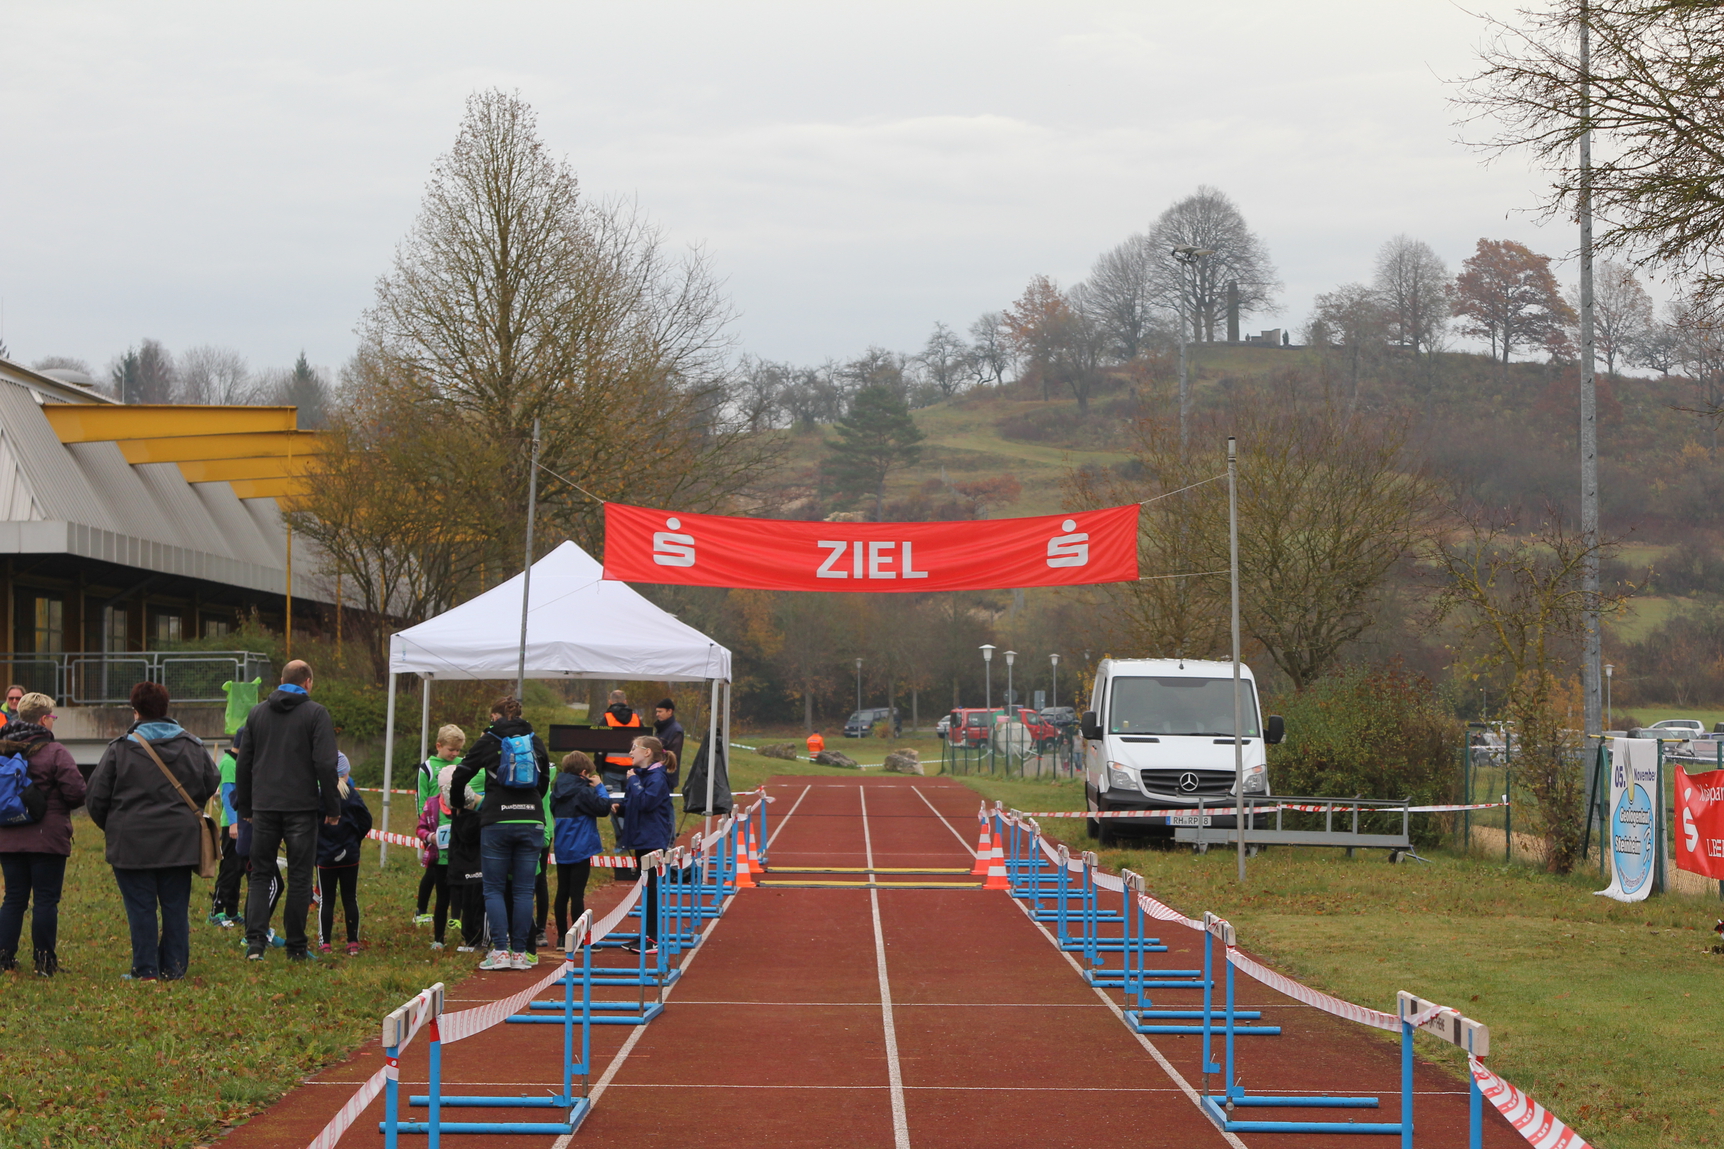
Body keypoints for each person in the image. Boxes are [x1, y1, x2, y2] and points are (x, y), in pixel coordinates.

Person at [86, 682, 219, 981]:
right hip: (180, 841)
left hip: (131, 842)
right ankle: (174, 968)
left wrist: (115, 826)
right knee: (175, 907)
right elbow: (211, 780)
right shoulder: (192, 746)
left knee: (140, 907)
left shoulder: (120, 749)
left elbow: (95, 797)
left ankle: (145, 969)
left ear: (135, 711)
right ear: (166, 708)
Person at [234, 660, 340, 962]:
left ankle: (255, 943)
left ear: (281, 680)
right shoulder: (316, 713)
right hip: (301, 807)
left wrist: (246, 805)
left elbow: (244, 762)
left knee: (260, 874)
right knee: (299, 877)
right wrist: (332, 805)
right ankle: (296, 947)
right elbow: (325, 763)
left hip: (264, 806)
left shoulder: (257, 714)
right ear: (308, 682)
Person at [450, 697, 549, 971]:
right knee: (524, 890)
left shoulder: (489, 740)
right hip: (531, 819)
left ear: (495, 716)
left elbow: (460, 774)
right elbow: (544, 780)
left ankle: (501, 951)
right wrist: (530, 803)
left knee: (493, 888)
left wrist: (458, 803)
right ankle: (520, 953)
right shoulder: (535, 740)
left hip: (497, 820)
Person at [0, 693, 87, 976]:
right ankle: (45, 961)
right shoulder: (54, 752)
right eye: (52, 717)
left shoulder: (3, 749)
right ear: (43, 719)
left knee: (13, 898)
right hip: (47, 837)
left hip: (8, 836)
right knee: (46, 900)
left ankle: (3, 957)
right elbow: (76, 793)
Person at [617, 735, 675, 956]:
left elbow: (646, 802)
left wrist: (633, 782)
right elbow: (632, 804)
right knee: (645, 887)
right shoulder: (640, 776)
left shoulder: (656, 777)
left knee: (651, 890)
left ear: (647, 752)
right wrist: (618, 807)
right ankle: (646, 934)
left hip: (652, 840)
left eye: (634, 748)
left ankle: (652, 938)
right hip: (640, 838)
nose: (630, 752)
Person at [549, 752, 611, 945]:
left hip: (562, 846)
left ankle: (562, 937)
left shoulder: (557, 789)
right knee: (577, 894)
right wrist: (599, 787)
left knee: (562, 892)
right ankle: (579, 938)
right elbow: (603, 808)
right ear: (584, 772)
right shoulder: (584, 791)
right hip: (581, 847)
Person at [316, 754, 372, 956]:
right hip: (349, 855)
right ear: (345, 773)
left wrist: (318, 845)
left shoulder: (318, 796)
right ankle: (352, 942)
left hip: (325, 856)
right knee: (350, 898)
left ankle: (325, 943)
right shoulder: (352, 795)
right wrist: (354, 840)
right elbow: (366, 820)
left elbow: (311, 824)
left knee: (326, 899)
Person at [414, 726, 464, 925]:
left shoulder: (463, 765)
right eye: (451, 749)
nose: (454, 754)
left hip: (458, 827)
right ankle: (421, 911)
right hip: (435, 830)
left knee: (457, 872)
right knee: (433, 872)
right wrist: (426, 828)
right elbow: (421, 798)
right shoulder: (427, 767)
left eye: (458, 750)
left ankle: (455, 917)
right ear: (439, 746)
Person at [443, 764, 487, 953]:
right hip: (478, 867)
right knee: (478, 905)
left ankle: (471, 939)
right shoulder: (481, 819)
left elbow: (454, 846)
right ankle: (479, 940)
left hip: (463, 869)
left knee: (468, 905)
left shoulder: (457, 819)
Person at [207, 729, 245, 928]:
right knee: (229, 867)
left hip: (242, 823)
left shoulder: (240, 763)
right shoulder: (229, 763)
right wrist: (233, 823)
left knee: (238, 868)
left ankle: (232, 910)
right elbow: (229, 795)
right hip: (232, 825)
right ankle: (217, 910)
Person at [601, 691, 641, 876]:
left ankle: (622, 842)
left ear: (610, 701)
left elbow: (598, 743)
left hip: (611, 768)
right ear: (625, 701)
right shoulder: (636, 719)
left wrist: (599, 765)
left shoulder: (607, 718)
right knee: (632, 804)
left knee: (615, 807)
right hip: (632, 769)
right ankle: (631, 839)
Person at [415, 767, 454, 950]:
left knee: (467, 899)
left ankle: (472, 938)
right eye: (447, 788)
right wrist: (430, 837)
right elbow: (420, 828)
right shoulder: (432, 804)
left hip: (463, 861)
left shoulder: (468, 802)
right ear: (440, 788)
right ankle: (439, 939)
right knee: (442, 899)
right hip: (440, 860)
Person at [653, 699, 685, 785]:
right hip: (656, 774)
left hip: (666, 777)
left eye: (660, 711)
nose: (657, 714)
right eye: (657, 712)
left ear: (669, 711)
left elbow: (673, 755)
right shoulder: (660, 728)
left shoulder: (676, 731)